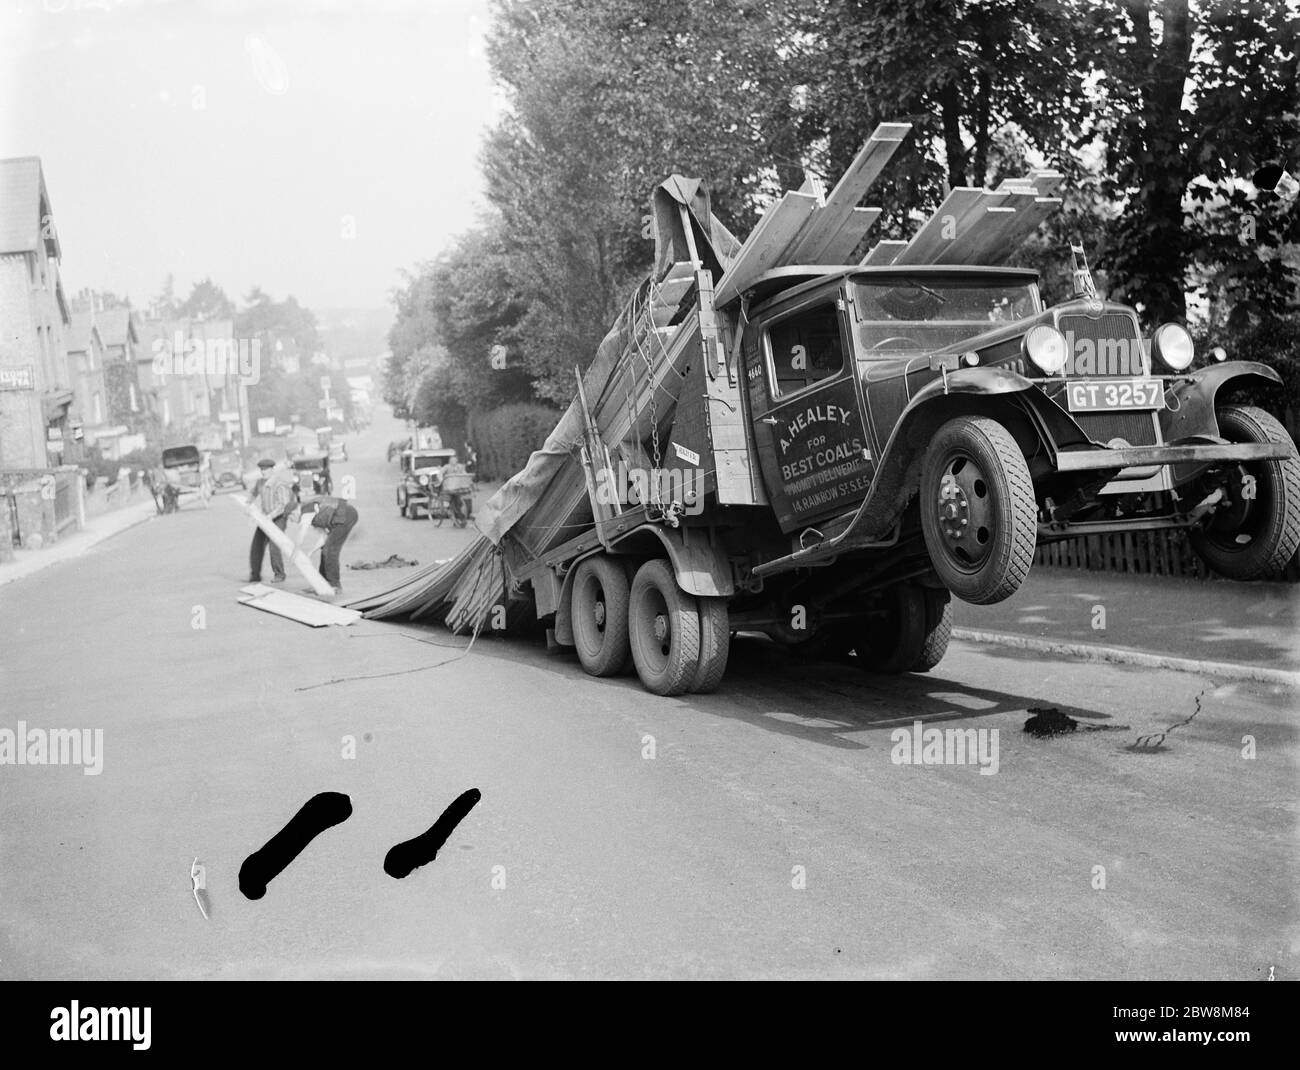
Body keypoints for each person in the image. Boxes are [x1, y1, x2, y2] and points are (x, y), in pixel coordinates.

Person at [289, 495, 358, 595]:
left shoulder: (306, 509)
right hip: (341, 516)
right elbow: (323, 537)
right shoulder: (311, 515)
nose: (291, 521)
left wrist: (294, 552)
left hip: (346, 515)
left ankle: (335, 585)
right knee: (326, 548)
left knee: (330, 549)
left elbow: (302, 531)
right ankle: (322, 583)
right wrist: (311, 552)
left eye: (290, 518)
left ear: (294, 512)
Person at [247, 459, 298, 583]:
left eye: (266, 469)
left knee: (274, 546)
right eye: (261, 469)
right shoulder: (260, 482)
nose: (263, 472)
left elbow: (283, 505)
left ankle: (279, 574)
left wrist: (270, 516)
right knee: (256, 546)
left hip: (278, 518)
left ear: (272, 470)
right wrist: (247, 504)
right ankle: (255, 575)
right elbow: (253, 494)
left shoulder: (279, 484)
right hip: (265, 518)